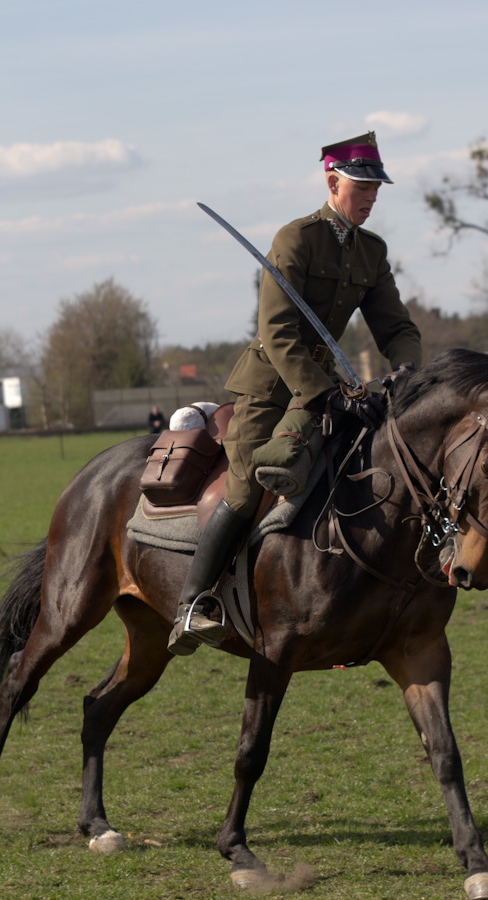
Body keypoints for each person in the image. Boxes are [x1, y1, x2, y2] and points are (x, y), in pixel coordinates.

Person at [168, 131, 422, 656]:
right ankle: (193, 604)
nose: (372, 196)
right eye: (363, 186)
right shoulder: (296, 239)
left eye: (378, 187)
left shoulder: (372, 252)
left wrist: (411, 371)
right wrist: (323, 391)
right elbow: (279, 333)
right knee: (244, 489)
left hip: (328, 387)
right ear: (333, 181)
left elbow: (394, 324)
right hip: (273, 384)